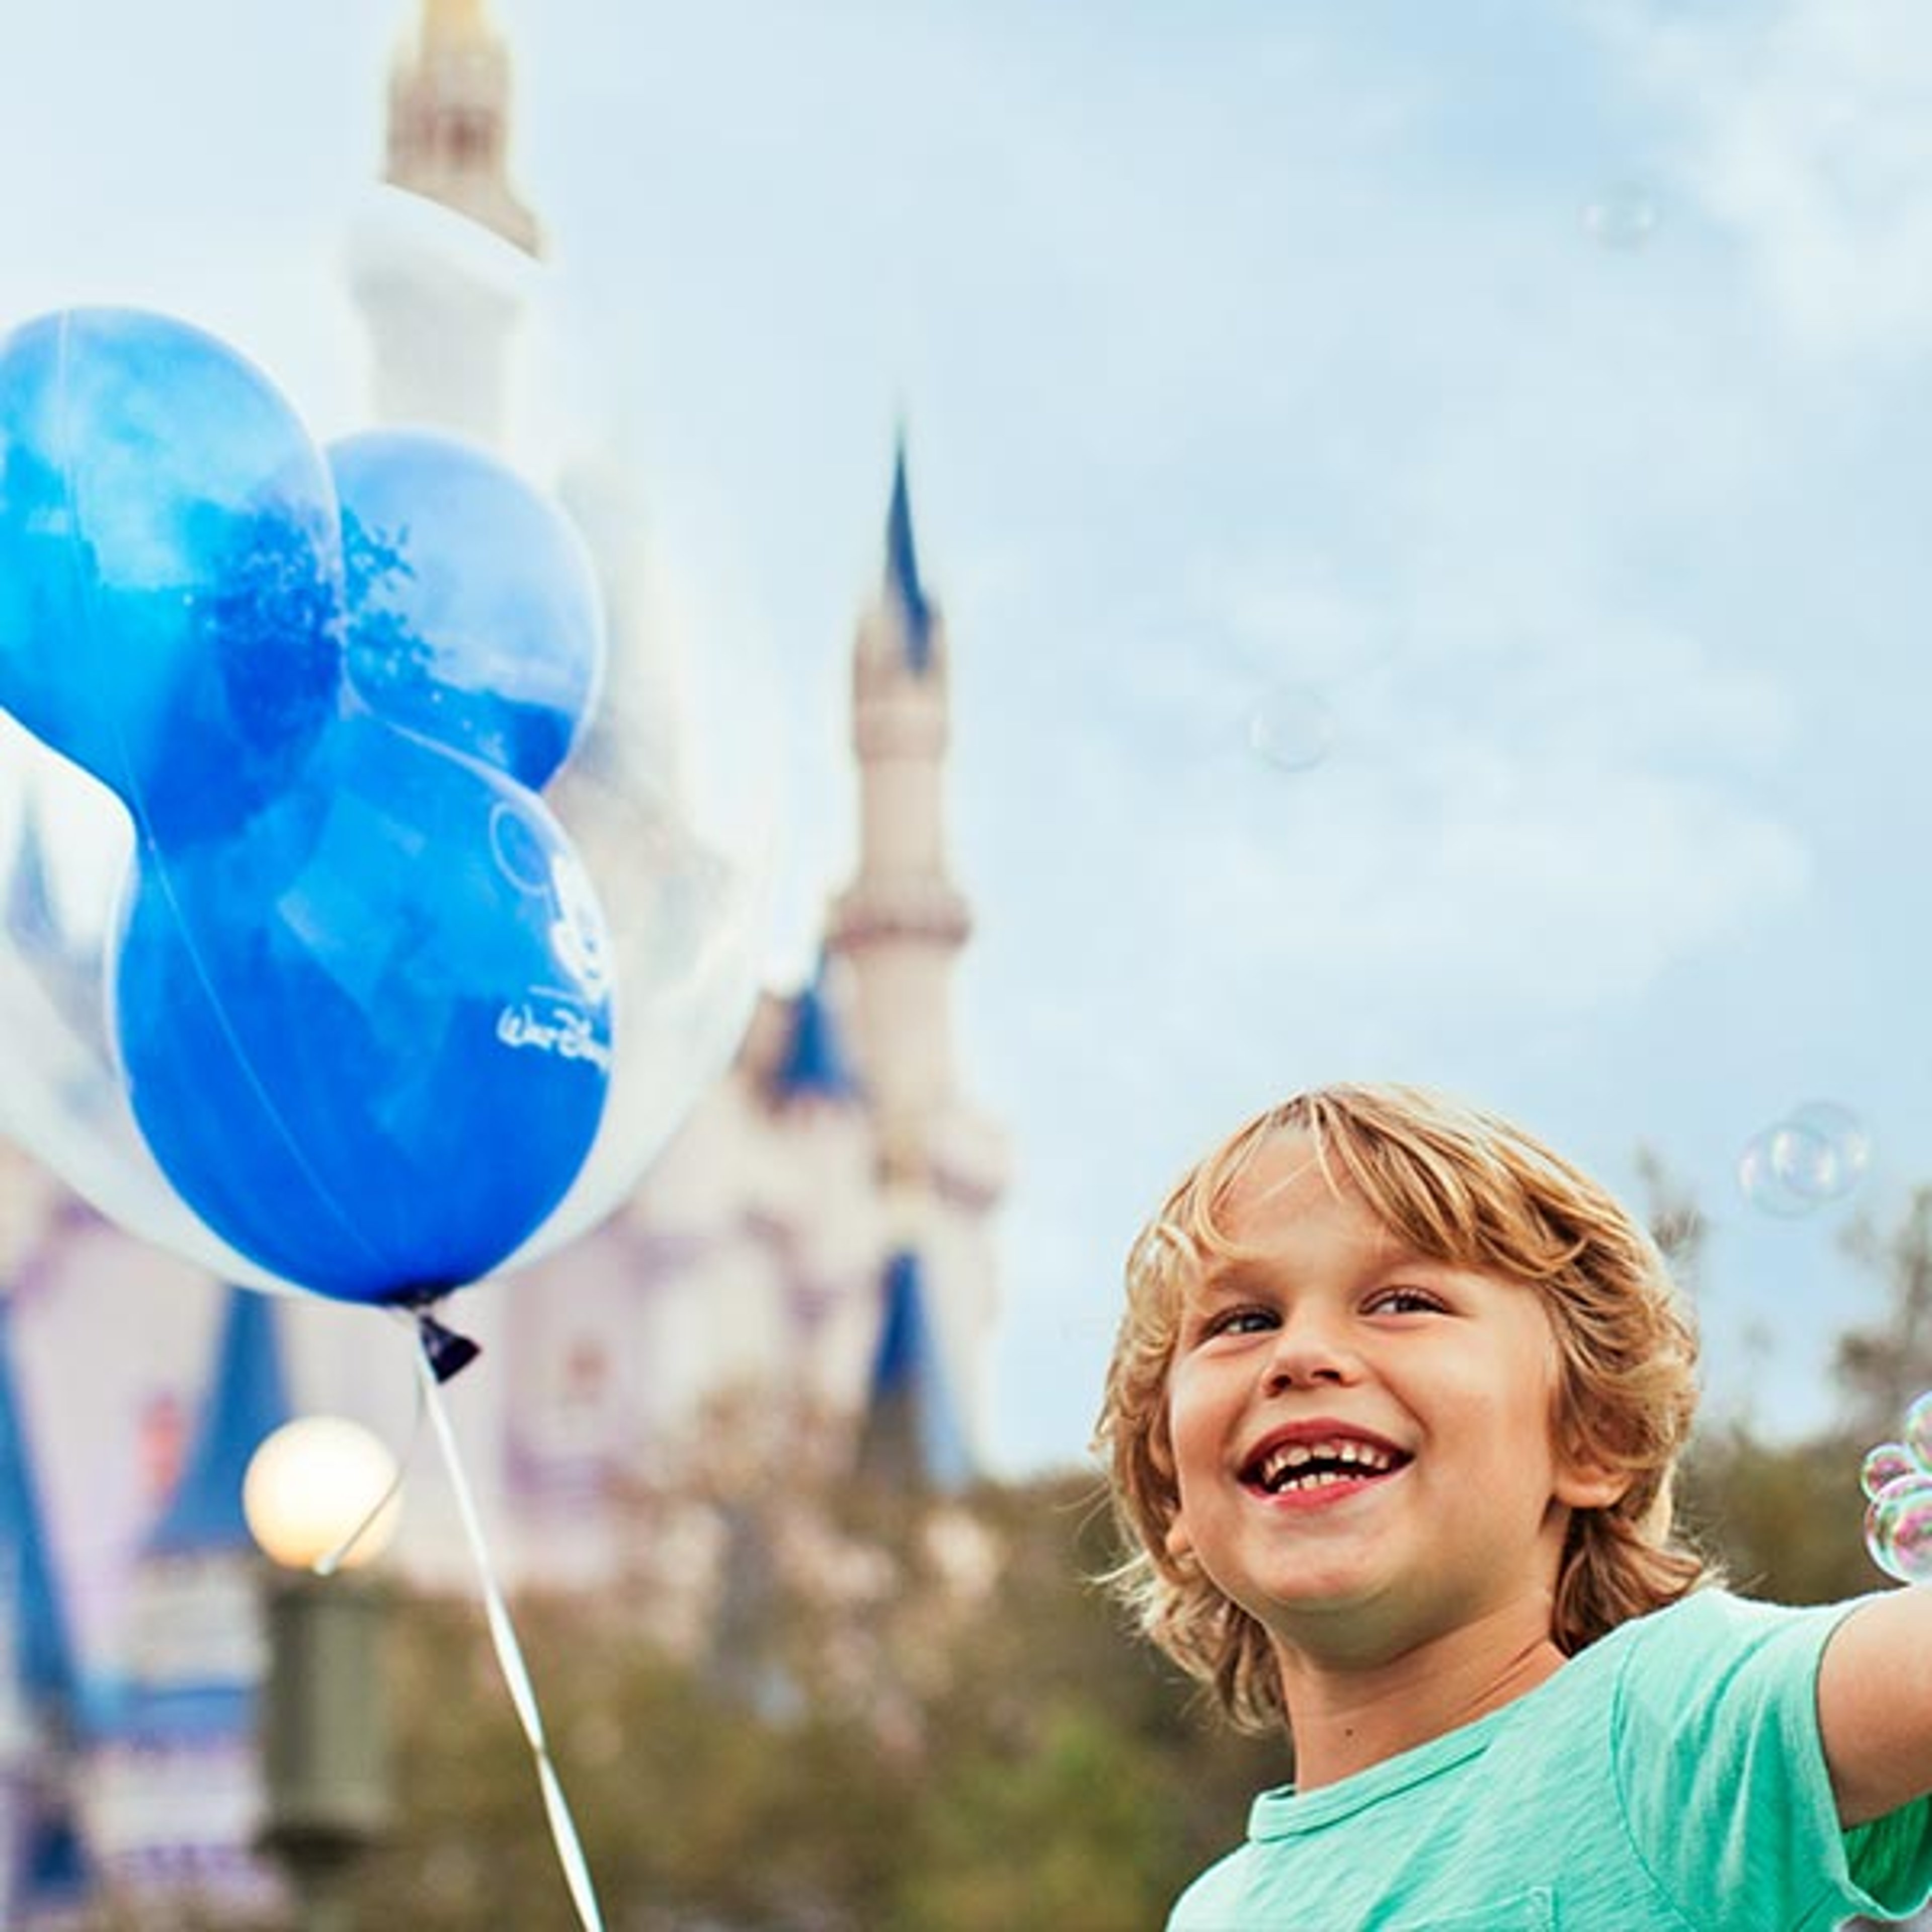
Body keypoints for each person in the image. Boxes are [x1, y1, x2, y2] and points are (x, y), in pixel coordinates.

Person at [1095, 1081, 1932, 1929]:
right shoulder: (1211, 1913)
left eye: (1403, 1303)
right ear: (1173, 1492)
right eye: (1243, 1321)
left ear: (1593, 1435)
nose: (1302, 1353)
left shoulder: (1661, 1732)